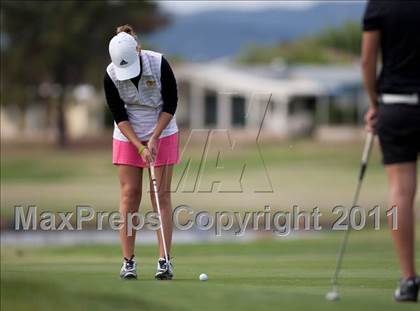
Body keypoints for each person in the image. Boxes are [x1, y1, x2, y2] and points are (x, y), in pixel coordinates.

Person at [104, 25, 179, 280]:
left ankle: (164, 261)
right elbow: (119, 114)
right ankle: (128, 262)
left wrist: (155, 137)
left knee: (161, 195)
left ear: (138, 49)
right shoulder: (111, 74)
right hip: (128, 134)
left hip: (163, 130)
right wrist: (139, 145)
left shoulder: (158, 64)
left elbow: (171, 103)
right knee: (129, 195)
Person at [362, 0, 420, 302]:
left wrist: (375, 104)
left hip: (396, 106)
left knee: (401, 190)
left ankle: (409, 280)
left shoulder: (380, 5)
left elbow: (367, 61)